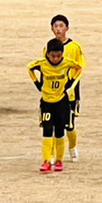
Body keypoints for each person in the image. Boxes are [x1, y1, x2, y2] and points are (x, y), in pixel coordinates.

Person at [28, 38, 80, 174]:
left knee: (59, 132)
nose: (56, 59)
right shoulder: (42, 64)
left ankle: (59, 160)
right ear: (47, 54)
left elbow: (79, 68)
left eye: (58, 56)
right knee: (47, 130)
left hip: (61, 102)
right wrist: (37, 83)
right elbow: (30, 68)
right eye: (53, 56)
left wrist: (71, 82)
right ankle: (46, 160)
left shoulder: (67, 63)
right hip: (46, 103)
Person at [50, 14, 85, 162]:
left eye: (61, 26)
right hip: (52, 93)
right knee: (51, 124)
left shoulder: (74, 47)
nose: (58, 29)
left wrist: (71, 85)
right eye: (55, 26)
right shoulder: (49, 47)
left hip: (69, 93)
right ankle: (52, 154)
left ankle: (72, 147)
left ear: (67, 28)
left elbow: (80, 68)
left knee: (69, 124)